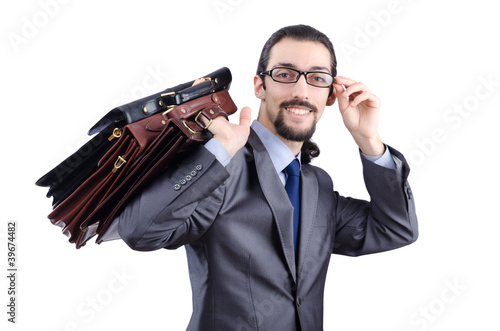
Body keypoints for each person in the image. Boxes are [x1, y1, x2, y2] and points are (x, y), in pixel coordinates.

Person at [117, 24, 418, 331]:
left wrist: (369, 141)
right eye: (285, 74)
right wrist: (218, 153)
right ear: (260, 86)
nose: (301, 92)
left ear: (330, 95)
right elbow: (139, 231)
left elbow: (395, 228)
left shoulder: (318, 186)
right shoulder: (222, 168)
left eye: (316, 78)